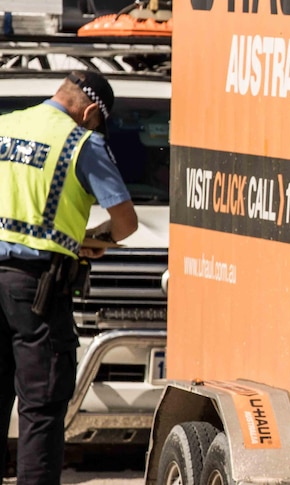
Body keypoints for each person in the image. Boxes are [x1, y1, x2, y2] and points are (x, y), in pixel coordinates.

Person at [0, 70, 138, 484]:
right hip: (35, 290)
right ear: (91, 111)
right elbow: (126, 222)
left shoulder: (6, 125)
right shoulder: (81, 142)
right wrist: (96, 239)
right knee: (41, 404)